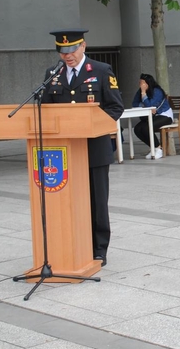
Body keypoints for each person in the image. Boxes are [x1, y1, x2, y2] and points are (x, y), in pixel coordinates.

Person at [42, 29, 124, 266]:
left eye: (71, 50)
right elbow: (45, 110)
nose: (67, 56)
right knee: (67, 201)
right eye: (62, 51)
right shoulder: (52, 73)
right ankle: (71, 243)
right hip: (63, 151)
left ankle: (98, 248)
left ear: (83, 46)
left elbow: (115, 108)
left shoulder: (101, 71)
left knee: (96, 201)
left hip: (94, 148)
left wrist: (92, 126)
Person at [131, 73, 173, 160]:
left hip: (164, 115)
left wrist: (144, 94)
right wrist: (144, 104)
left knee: (146, 128)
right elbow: (134, 104)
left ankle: (159, 148)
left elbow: (150, 105)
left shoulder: (157, 91)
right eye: (140, 83)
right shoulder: (139, 91)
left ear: (148, 83)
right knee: (137, 129)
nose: (140, 85)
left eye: (142, 83)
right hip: (151, 116)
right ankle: (154, 148)